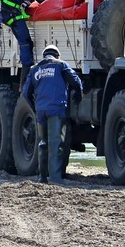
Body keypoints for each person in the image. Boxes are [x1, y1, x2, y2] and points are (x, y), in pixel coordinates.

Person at [21, 45, 82, 184]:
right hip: (57, 109)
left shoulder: (35, 69)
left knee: (43, 143)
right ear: (57, 55)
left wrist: (34, 107)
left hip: (41, 111)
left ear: (44, 56)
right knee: (56, 143)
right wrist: (79, 94)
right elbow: (75, 81)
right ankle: (55, 178)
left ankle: (42, 177)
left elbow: (25, 93)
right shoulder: (61, 65)